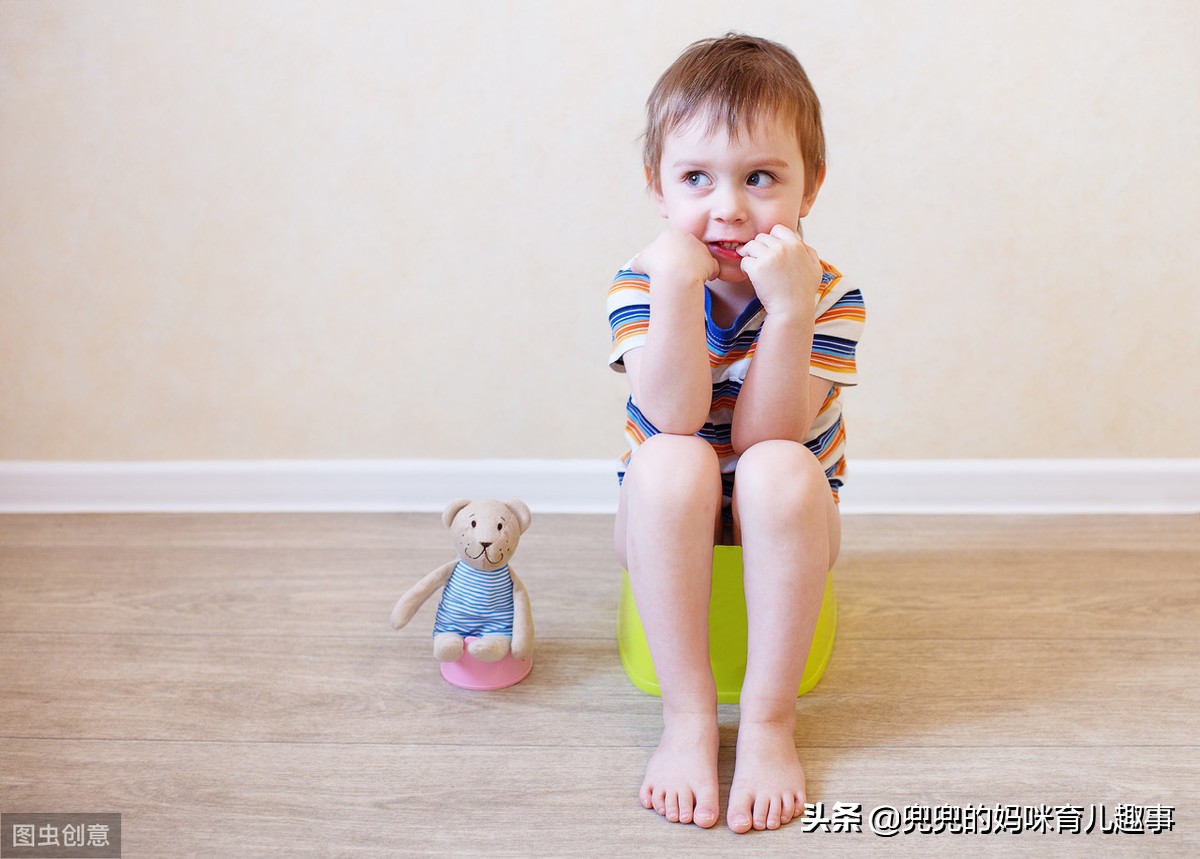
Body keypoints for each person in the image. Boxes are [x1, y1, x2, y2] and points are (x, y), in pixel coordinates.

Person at [607, 33, 866, 833]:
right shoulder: (642, 280)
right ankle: (687, 716)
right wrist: (676, 293)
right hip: (663, 514)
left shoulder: (827, 291)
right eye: (696, 179)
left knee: (781, 468)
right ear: (657, 187)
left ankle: (767, 719)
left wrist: (787, 311)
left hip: (785, 510)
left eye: (760, 177)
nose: (728, 207)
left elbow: (767, 436)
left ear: (809, 185)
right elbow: (674, 418)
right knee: (671, 460)